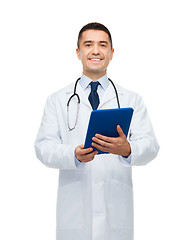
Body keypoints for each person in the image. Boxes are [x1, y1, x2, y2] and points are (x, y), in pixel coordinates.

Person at [34, 22, 159, 240]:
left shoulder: (131, 99)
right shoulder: (57, 100)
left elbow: (150, 146)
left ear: (111, 53)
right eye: (88, 44)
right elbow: (43, 147)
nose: (95, 51)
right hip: (74, 214)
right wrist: (72, 155)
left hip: (115, 213)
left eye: (102, 45)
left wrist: (128, 149)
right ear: (78, 52)